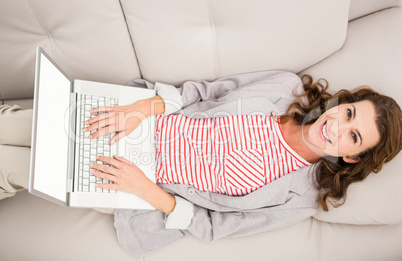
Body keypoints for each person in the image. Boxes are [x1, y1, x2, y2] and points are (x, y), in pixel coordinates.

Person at [1, 71, 401, 258]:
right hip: (141, 120)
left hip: (141, 183)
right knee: (15, 123)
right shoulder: (286, 87)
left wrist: (144, 188)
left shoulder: (300, 199)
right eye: (348, 112)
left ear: (352, 157)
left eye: (353, 136)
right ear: (341, 102)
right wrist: (141, 109)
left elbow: (213, 226)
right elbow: (204, 92)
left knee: (15, 166)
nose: (337, 127)